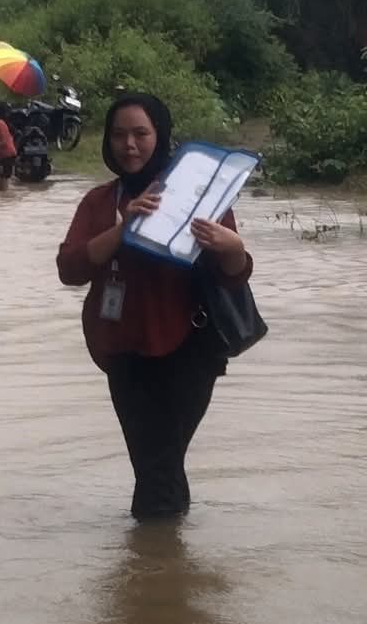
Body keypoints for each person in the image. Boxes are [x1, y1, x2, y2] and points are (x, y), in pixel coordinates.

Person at [56, 92, 251, 521]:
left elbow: (234, 274)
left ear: (160, 136)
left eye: (141, 134)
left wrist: (233, 247)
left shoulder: (200, 196)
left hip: (192, 351)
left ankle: (153, 571)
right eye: (119, 134)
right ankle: (164, 569)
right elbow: (69, 269)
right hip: (123, 354)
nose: (129, 145)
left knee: (159, 466)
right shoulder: (99, 203)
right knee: (158, 467)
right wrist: (122, 231)